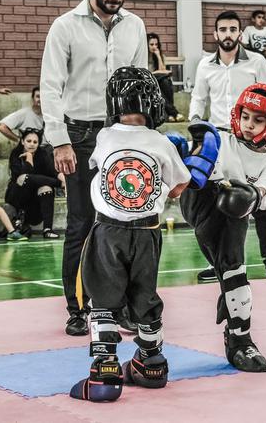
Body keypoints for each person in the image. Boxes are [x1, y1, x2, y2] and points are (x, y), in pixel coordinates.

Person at [40, 0, 148, 335]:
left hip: (121, 137)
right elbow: (50, 87)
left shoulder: (135, 27)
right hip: (79, 136)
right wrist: (60, 142)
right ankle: (77, 308)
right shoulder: (64, 26)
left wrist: (142, 137)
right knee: (82, 223)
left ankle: (118, 307)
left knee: (124, 225)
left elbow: (139, 85)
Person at [70, 67, 191, 402]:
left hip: (108, 230)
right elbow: (181, 183)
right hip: (148, 232)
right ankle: (152, 365)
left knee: (103, 299)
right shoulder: (162, 141)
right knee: (145, 296)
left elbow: (100, 169)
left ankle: (104, 373)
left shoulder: (105, 137)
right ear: (154, 102)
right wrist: (164, 190)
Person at [180, 83, 266, 372]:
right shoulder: (222, 140)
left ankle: (240, 340)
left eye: (259, 119)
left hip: (235, 215)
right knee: (204, 162)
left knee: (235, 274)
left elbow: (261, 196)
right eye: (246, 116)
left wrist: (249, 196)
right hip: (200, 203)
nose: (250, 125)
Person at [189, 10, 266, 280]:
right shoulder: (205, 66)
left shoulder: (256, 62)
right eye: (223, 29)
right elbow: (198, 98)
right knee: (213, 204)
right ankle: (217, 260)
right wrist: (196, 127)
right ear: (215, 34)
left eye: (233, 29)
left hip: (254, 141)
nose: (228, 34)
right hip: (219, 140)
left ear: (240, 34)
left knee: (258, 201)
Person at [5, 129, 65, 238]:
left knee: (46, 188)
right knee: (24, 178)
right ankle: (58, 184)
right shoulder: (15, 153)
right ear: (22, 141)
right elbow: (22, 178)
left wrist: (63, 179)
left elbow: (52, 171)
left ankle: (47, 230)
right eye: (29, 141)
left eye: (35, 142)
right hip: (17, 198)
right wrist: (29, 158)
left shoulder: (42, 154)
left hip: (35, 204)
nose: (32, 144)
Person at [147, 32, 184, 122]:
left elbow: (162, 71)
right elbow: (148, 74)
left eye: (156, 44)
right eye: (151, 44)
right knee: (160, 82)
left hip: (157, 83)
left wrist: (158, 56)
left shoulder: (159, 55)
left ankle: (168, 114)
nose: (154, 47)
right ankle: (173, 113)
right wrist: (159, 72)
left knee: (165, 82)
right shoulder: (143, 56)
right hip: (148, 83)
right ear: (146, 45)